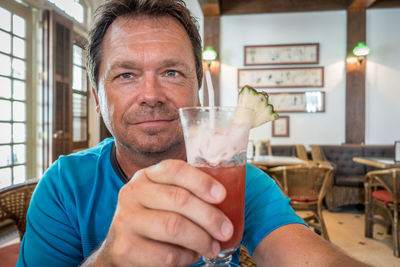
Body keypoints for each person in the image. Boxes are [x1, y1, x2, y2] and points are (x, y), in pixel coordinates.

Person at [17, 0, 368, 266]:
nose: (151, 95)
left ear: (198, 91)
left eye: (172, 72)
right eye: (126, 75)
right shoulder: (64, 186)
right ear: (97, 99)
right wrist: (110, 259)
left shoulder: (237, 182)